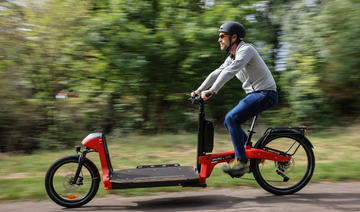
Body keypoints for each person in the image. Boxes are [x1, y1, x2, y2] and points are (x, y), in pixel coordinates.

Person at [191, 21, 278, 177]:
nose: (219, 39)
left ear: (234, 37)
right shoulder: (232, 56)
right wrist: (198, 89)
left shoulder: (246, 50)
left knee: (231, 118)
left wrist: (212, 91)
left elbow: (230, 72)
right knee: (229, 121)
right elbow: (217, 72)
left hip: (265, 93)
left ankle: (242, 162)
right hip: (255, 94)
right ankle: (249, 153)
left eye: (222, 36)